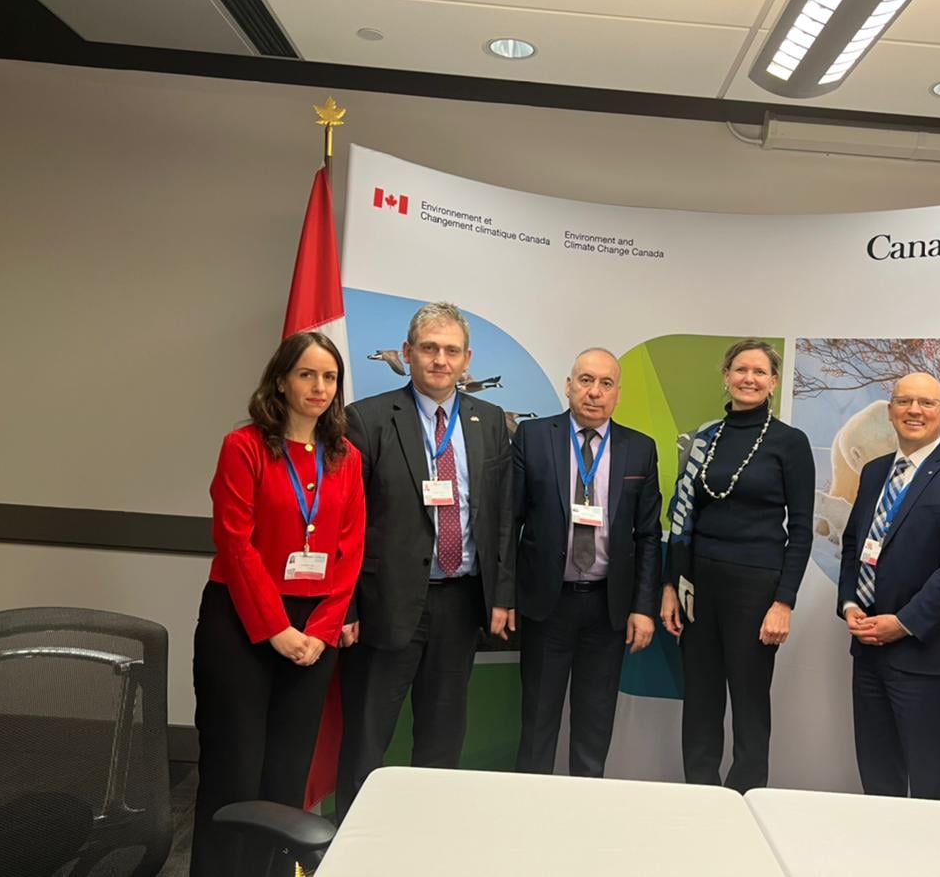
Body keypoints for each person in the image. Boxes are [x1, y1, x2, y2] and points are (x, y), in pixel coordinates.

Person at [191, 331, 365, 877]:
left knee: (287, 774)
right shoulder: (243, 446)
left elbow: (350, 550)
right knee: (234, 772)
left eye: (329, 377)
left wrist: (323, 629)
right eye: (306, 374)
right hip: (241, 622)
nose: (319, 387)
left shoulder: (346, 458)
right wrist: (276, 629)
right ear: (282, 381)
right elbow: (235, 543)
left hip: (314, 631)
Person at [336, 302, 515, 819]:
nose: (440, 360)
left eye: (451, 351)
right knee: (368, 737)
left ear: (467, 360)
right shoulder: (367, 419)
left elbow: (502, 515)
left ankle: (428, 834)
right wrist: (347, 607)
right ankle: (354, 839)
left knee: (442, 736)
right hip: (386, 604)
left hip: (461, 603)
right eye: (430, 348)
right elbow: (346, 520)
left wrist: (502, 594)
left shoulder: (489, 422)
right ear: (408, 352)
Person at [660, 338, 814, 793]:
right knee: (700, 698)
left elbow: (801, 530)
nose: (749, 378)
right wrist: (672, 586)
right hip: (698, 585)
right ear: (726, 376)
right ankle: (701, 792)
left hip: (756, 589)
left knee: (749, 701)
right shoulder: (703, 439)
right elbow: (682, 518)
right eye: (741, 369)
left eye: (760, 372)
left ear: (774, 382)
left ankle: (746, 795)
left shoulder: (790, 443)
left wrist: (784, 602)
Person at [837, 372, 940, 801]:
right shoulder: (874, 473)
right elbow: (853, 544)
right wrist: (850, 603)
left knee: (928, 781)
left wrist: (903, 622)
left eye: (926, 403)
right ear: (891, 411)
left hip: (925, 652)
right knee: (878, 775)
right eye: (905, 401)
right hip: (868, 647)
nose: (914, 411)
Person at [512, 348, 662, 777]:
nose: (594, 392)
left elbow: (648, 535)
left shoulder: (639, 449)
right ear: (569, 385)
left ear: (617, 393)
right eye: (585, 380)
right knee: (537, 724)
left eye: (606, 383)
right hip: (547, 605)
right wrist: (505, 597)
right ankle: (528, 806)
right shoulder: (533, 437)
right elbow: (509, 520)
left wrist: (643, 607)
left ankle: (586, 807)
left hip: (607, 609)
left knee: (594, 728)